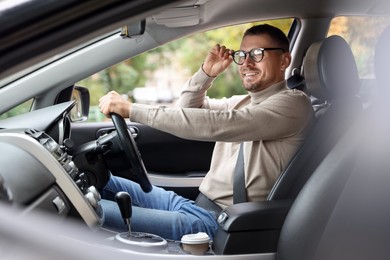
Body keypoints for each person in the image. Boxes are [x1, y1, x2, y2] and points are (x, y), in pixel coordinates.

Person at [98, 24, 314, 241]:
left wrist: (132, 110)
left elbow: (216, 124)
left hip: (221, 224)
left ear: (284, 60)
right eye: (242, 54)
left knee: (92, 211)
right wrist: (206, 74)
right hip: (196, 207)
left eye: (257, 54)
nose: (247, 63)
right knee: (98, 179)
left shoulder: (293, 105)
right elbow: (187, 110)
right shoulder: (244, 102)